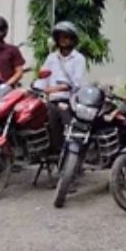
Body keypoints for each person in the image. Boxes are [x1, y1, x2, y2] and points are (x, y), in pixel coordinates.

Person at [41, 21, 88, 154]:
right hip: (51, 100)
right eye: (61, 37)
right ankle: (48, 151)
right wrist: (35, 87)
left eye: (67, 37)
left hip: (69, 100)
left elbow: (76, 83)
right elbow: (43, 78)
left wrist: (56, 89)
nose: (64, 40)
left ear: (73, 39)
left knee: (68, 127)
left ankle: (71, 155)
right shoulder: (51, 57)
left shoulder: (79, 59)